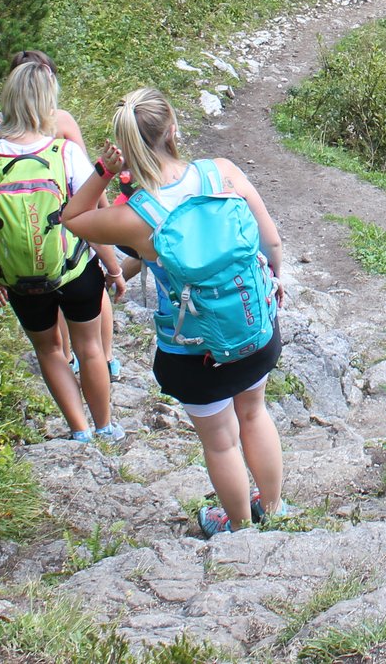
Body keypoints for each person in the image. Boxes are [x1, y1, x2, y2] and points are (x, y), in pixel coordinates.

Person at [59, 88, 287, 536]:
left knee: (221, 443)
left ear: (127, 148)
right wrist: (273, 285)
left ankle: (238, 528)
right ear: (174, 129)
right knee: (255, 413)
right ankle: (275, 509)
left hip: (194, 353)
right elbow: (272, 241)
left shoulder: (135, 218)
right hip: (253, 324)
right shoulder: (221, 173)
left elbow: (71, 217)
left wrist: (105, 170)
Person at [0, 61, 124, 444]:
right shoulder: (64, 153)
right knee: (88, 348)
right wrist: (114, 268)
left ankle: (79, 432)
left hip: (19, 279)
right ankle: (104, 426)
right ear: (47, 103)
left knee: (50, 350)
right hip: (73, 270)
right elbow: (88, 220)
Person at [0, 51, 120, 381]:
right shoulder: (60, 120)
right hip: (66, 225)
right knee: (89, 289)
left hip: (21, 234)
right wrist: (104, 216)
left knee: (47, 290)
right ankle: (103, 359)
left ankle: (66, 358)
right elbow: (89, 178)